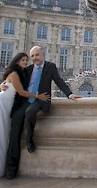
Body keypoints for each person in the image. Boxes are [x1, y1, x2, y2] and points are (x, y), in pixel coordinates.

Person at [4, 46, 80, 179]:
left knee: (30, 113)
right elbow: (11, 79)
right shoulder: (28, 69)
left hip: (41, 99)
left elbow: (59, 81)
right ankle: (11, 170)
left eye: (36, 55)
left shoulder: (50, 67)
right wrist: (1, 85)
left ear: (43, 54)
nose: (34, 58)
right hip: (25, 100)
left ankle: (29, 139)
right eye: (32, 56)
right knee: (15, 131)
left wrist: (70, 94)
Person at [0, 52, 49, 179]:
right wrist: (38, 96)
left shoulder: (25, 71)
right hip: (7, 103)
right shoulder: (17, 72)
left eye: (26, 60)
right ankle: (10, 170)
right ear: (17, 61)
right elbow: (21, 91)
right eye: (24, 60)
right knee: (7, 134)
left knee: (5, 135)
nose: (26, 62)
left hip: (14, 103)